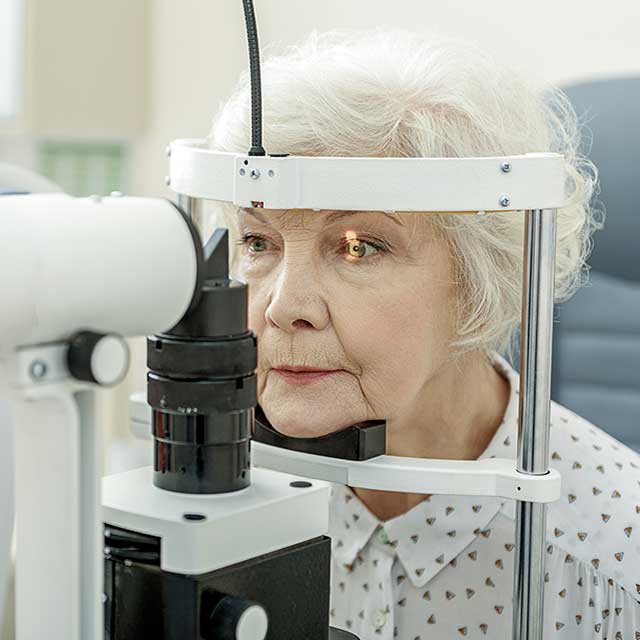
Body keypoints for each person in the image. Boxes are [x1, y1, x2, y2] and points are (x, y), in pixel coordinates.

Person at [207, 28, 640, 640]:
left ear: (481, 274)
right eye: (258, 240)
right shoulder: (214, 507)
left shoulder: (615, 567)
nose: (284, 308)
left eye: (358, 247)